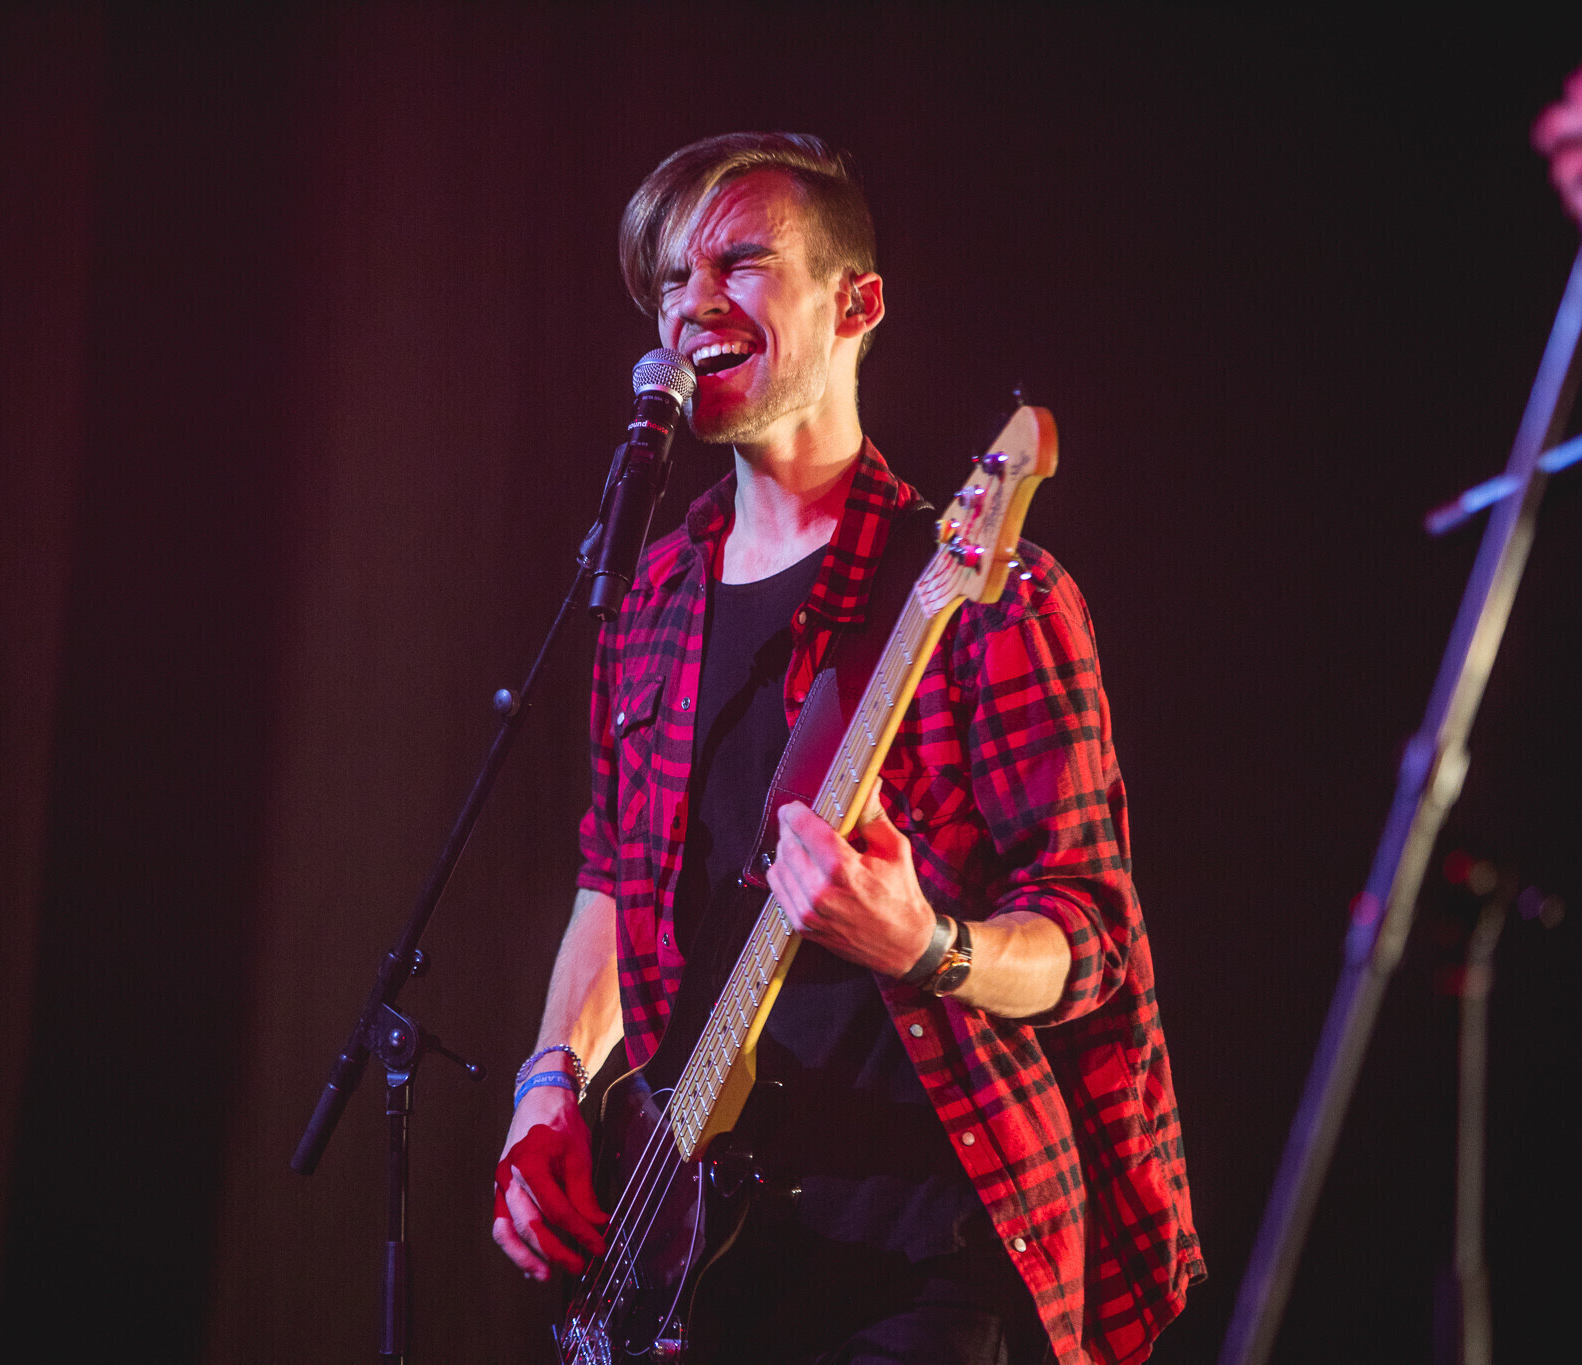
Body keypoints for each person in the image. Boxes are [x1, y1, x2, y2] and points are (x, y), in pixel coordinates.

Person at [492, 133, 1202, 1364]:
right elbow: (611, 879)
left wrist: (926, 944)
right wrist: (549, 1079)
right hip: (699, 1254)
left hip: (924, 1252)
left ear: (855, 303)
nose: (691, 302)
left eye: (739, 263)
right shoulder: (649, 596)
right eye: (669, 279)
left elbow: (1086, 941)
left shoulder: (990, 597)